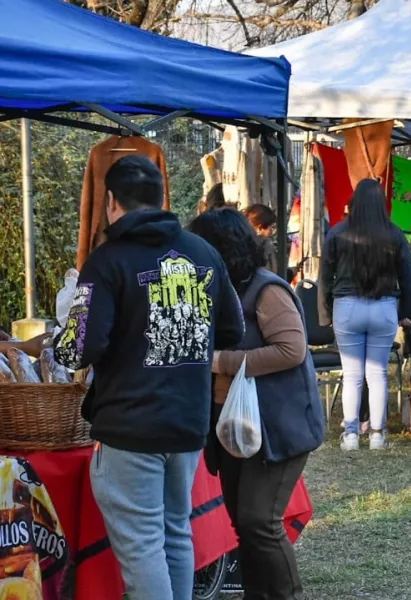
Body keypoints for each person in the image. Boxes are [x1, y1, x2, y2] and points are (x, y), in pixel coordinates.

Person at [51, 155, 244, 600]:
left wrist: (61, 340)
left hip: (130, 426)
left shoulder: (107, 261)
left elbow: (80, 347)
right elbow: (233, 330)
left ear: (112, 202)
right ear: (161, 198)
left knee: (141, 547)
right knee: (176, 533)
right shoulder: (204, 253)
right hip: (188, 423)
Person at [188, 209, 324, 600]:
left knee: (259, 520)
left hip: (277, 425)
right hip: (232, 427)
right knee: (242, 522)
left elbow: (291, 350)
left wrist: (221, 361)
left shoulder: (267, 291)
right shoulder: (220, 290)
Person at [319, 179, 411, 451]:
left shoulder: (338, 233)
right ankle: (376, 434)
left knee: (352, 376)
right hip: (384, 307)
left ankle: (350, 435)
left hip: (347, 307)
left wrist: (325, 312)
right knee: (377, 374)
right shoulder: (395, 234)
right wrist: (406, 312)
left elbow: (325, 275)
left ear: (354, 202)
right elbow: (406, 278)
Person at [244, 204, 280, 274]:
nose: (273, 232)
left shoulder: (267, 245)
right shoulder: (246, 250)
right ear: (259, 228)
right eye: (271, 228)